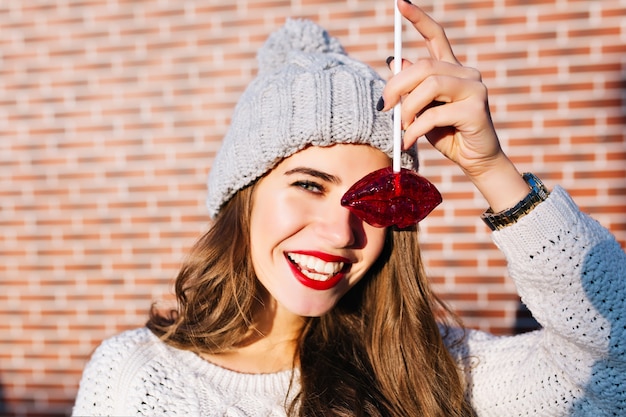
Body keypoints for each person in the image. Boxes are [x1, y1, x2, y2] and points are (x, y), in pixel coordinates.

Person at [72, 1, 626, 416]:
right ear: (244, 197)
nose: (341, 232)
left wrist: (492, 171)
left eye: (374, 199)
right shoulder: (135, 378)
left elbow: (614, 372)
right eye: (310, 185)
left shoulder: (432, 370)